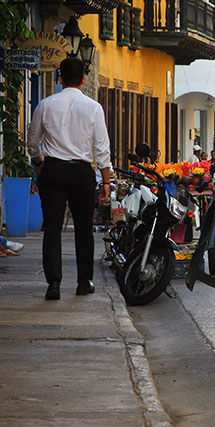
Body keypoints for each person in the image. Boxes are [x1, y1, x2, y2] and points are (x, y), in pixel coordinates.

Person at [26, 57, 111, 300]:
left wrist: (39, 162)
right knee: (83, 228)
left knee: (52, 227)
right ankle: (84, 282)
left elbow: (33, 141)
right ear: (84, 80)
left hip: (52, 170)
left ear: (60, 78)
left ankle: (53, 284)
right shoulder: (93, 107)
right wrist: (105, 181)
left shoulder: (45, 104)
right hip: (81, 172)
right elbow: (102, 148)